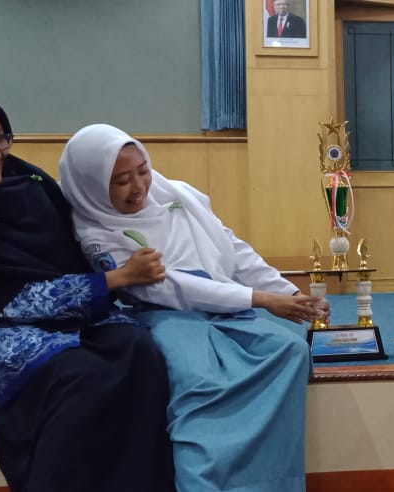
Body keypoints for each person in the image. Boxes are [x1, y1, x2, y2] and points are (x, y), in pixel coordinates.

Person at [0, 91, 175, 491]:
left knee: (141, 351)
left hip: (80, 312)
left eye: (0, 138)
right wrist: (113, 280)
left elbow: (79, 240)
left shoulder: (30, 182)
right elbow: (3, 300)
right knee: (79, 376)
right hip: (3, 328)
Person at [59, 123, 320, 492]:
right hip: (167, 317)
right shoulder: (95, 233)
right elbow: (170, 287)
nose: (139, 186)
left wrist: (286, 291)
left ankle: (268, 482)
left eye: (143, 170)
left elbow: (232, 249)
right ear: (93, 185)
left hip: (225, 307)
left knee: (290, 350)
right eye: (121, 181)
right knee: (200, 379)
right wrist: (262, 299)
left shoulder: (177, 195)